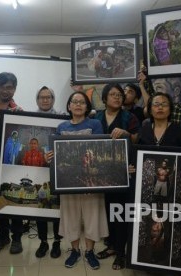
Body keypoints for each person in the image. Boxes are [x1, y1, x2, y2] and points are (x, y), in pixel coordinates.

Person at [45, 91, 108, 270]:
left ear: (87, 106)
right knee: (70, 216)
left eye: (82, 102)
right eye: (75, 101)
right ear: (69, 106)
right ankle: (74, 251)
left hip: (91, 178)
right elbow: (56, 154)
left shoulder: (95, 124)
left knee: (92, 216)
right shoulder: (62, 126)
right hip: (68, 180)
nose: (78, 104)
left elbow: (99, 149)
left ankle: (89, 251)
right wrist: (50, 156)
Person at [93, 83, 140, 270]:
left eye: (120, 95)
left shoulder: (130, 117)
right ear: (104, 98)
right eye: (113, 94)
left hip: (122, 172)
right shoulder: (95, 117)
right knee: (107, 209)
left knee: (120, 212)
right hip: (100, 172)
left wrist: (127, 133)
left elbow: (138, 139)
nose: (117, 97)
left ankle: (121, 253)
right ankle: (111, 246)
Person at [0, 72, 25, 254]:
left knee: (14, 199)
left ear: (14, 89)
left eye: (9, 87)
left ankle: (17, 238)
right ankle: (3, 236)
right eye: (1, 86)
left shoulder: (20, 111)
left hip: (11, 166)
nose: (5, 90)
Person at [30, 85, 64, 258]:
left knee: (57, 207)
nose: (45, 100)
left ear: (53, 99)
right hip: (38, 170)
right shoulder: (29, 118)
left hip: (57, 169)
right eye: (41, 97)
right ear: (37, 100)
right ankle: (43, 242)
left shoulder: (62, 118)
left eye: (48, 97)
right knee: (41, 206)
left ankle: (57, 242)